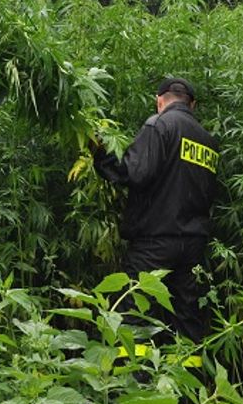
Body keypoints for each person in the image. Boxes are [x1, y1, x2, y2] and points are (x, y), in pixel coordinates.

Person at [92, 76, 220, 343]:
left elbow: (134, 172)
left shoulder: (159, 125)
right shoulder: (208, 141)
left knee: (135, 312)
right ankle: (188, 382)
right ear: (192, 105)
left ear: (159, 101)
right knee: (186, 320)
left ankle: (136, 381)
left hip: (155, 242)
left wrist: (101, 155)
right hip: (193, 246)